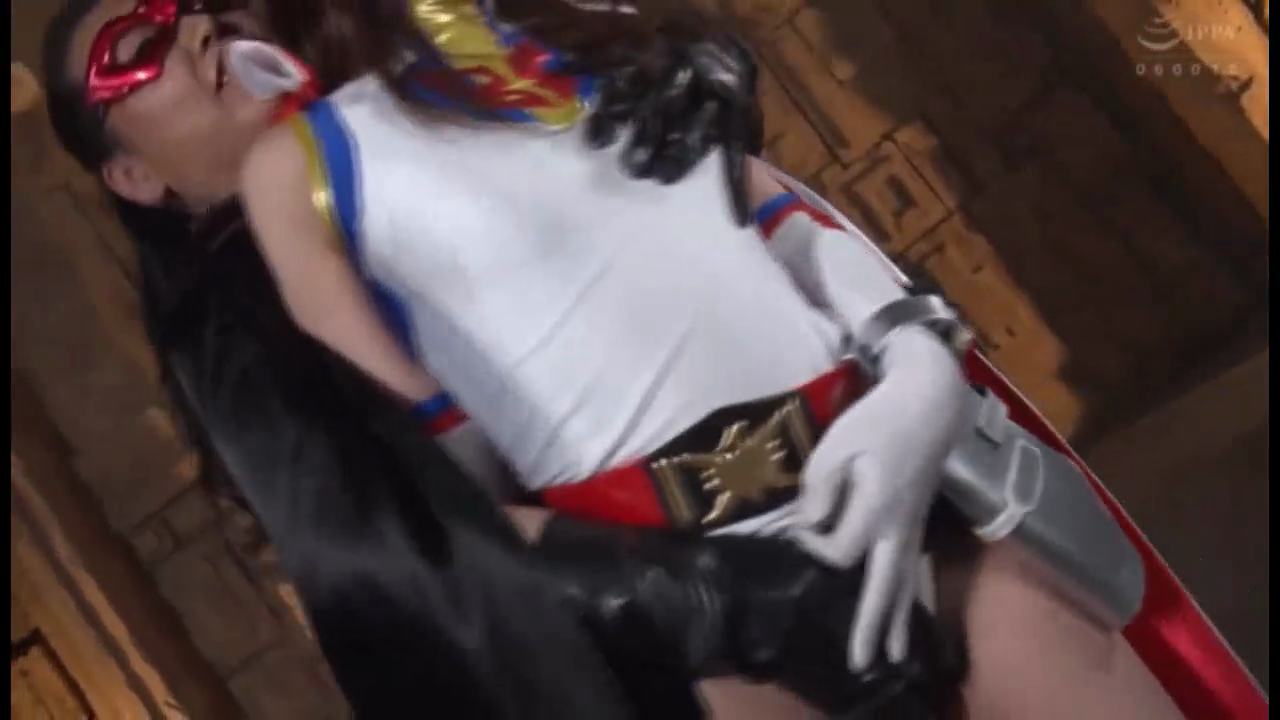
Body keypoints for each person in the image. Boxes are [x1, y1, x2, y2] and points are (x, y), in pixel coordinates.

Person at [43, 1, 972, 718]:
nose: (196, 26)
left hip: (879, 472)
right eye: (136, 45)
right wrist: (727, 605)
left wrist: (681, 75)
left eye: (197, 2)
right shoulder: (238, 325)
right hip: (691, 656)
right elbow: (407, 547)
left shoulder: (421, 110)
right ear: (133, 176)